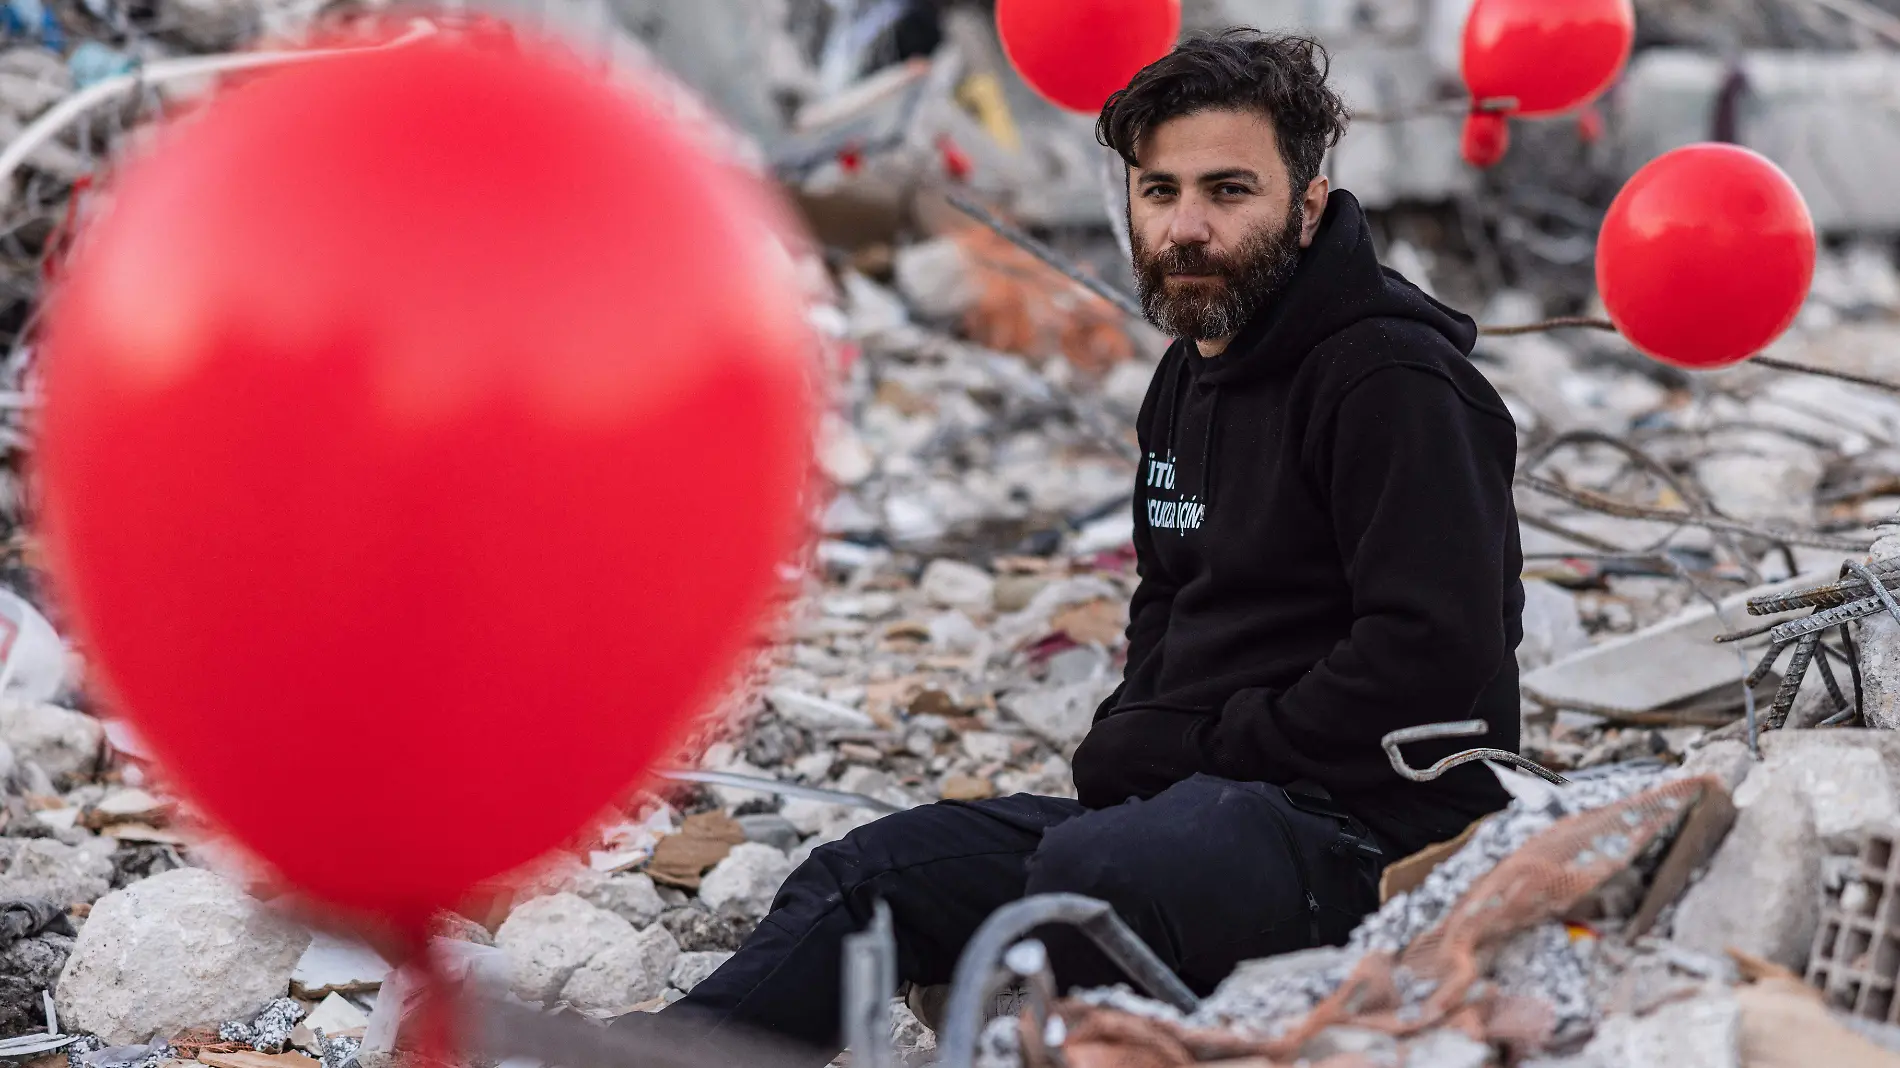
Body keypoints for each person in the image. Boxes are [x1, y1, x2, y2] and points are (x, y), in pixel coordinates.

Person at [619, 29, 1524, 1062]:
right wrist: (1139, 734)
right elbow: (1168, 602)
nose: (1186, 228)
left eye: (1229, 191)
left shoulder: (1392, 384)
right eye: (1159, 191)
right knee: (871, 874)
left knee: (1100, 878)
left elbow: (1429, 657)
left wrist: (1193, 749)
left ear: (1306, 206)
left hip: (1374, 835)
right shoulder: (1187, 378)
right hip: (1194, 810)